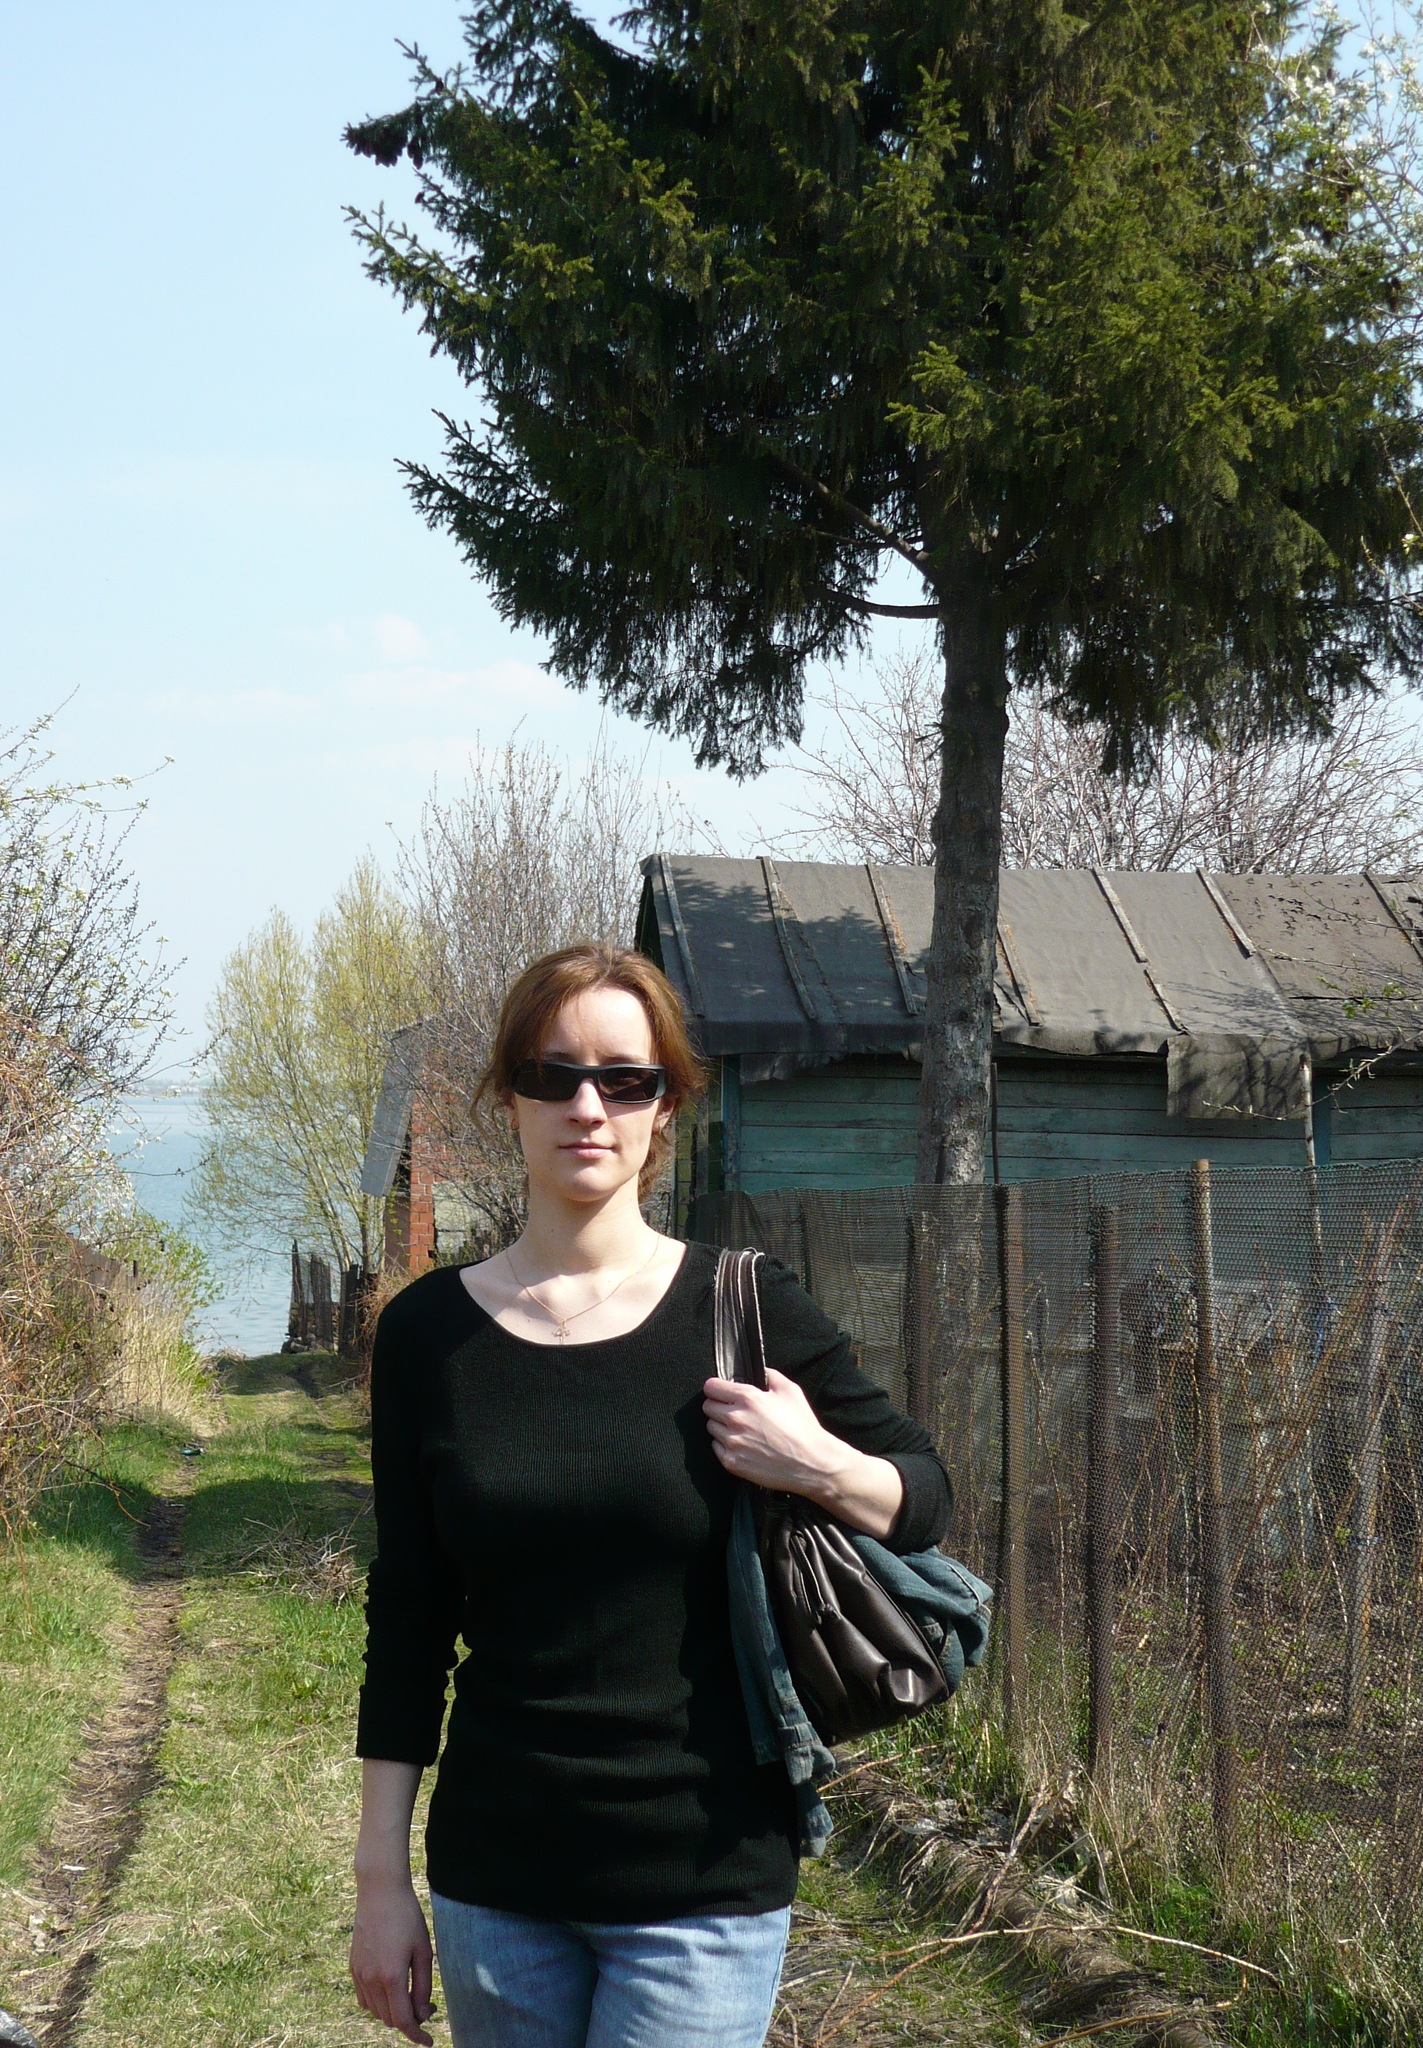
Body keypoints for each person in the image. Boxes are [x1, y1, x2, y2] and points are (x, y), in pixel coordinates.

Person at [349, 944, 952, 2048]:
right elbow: (409, 1615)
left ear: (666, 1103)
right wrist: (379, 1880)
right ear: (508, 1095)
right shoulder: (427, 1336)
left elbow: (923, 1496)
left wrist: (814, 1463)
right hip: (497, 1879)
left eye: (624, 1079)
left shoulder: (741, 1305)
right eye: (553, 1074)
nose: (588, 1107)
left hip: (704, 1882)